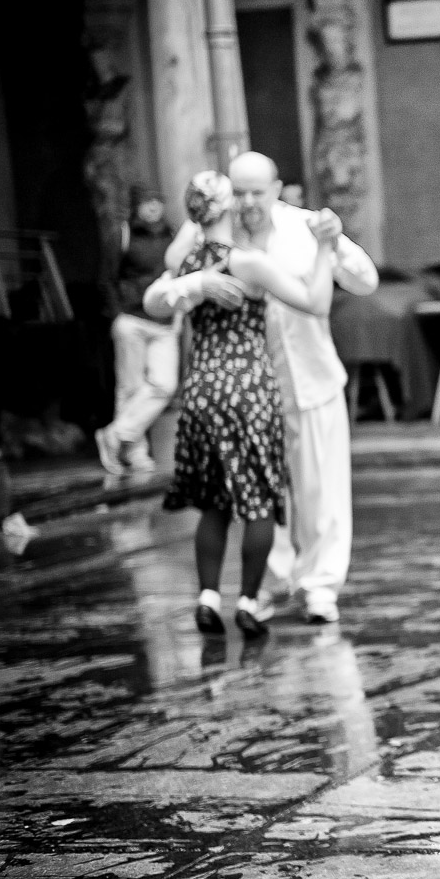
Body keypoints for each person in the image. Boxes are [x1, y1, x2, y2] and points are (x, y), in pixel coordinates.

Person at [162, 153, 379, 625]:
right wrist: (196, 278)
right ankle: (271, 583)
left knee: (321, 494)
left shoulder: (305, 226)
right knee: (258, 493)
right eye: (239, 192)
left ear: (276, 189)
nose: (247, 202)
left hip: (313, 378)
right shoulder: (215, 235)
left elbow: (365, 281)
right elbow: (169, 271)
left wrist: (333, 241)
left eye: (257, 192)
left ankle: (319, 588)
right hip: (251, 393)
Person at [144, 170, 335, 640]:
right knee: (259, 502)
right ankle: (249, 602)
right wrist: (324, 250)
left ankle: (208, 597)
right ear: (228, 206)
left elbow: (152, 302)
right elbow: (315, 301)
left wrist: (194, 285)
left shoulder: (187, 263)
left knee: (213, 503)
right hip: (248, 389)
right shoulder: (246, 262)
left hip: (201, 389)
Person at [96, 185, 178, 475]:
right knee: (130, 388)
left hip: (164, 321)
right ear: (136, 206)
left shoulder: (173, 235)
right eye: (146, 202)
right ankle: (135, 453)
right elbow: (105, 278)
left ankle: (115, 435)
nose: (153, 207)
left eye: (157, 201)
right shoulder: (123, 234)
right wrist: (117, 314)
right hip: (131, 318)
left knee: (164, 385)